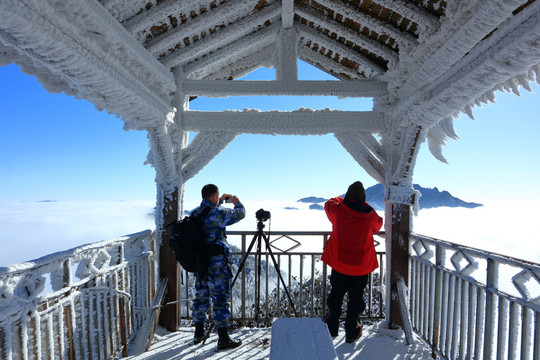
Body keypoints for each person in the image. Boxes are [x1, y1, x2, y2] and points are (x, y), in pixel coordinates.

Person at [321, 181, 383, 343]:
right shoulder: (369, 213)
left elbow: (328, 204)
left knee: (336, 296)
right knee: (356, 299)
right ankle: (352, 331)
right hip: (361, 267)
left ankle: (331, 327)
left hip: (340, 264)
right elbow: (378, 225)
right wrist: (364, 205)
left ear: (348, 195)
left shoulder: (339, 209)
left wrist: (340, 199)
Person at [191, 184, 246, 350]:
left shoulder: (195, 213)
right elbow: (240, 214)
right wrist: (237, 202)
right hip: (217, 264)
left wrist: (219, 202)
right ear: (215, 196)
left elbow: (209, 214)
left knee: (201, 297)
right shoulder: (219, 213)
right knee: (220, 300)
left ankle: (198, 333)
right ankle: (223, 338)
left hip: (200, 264)